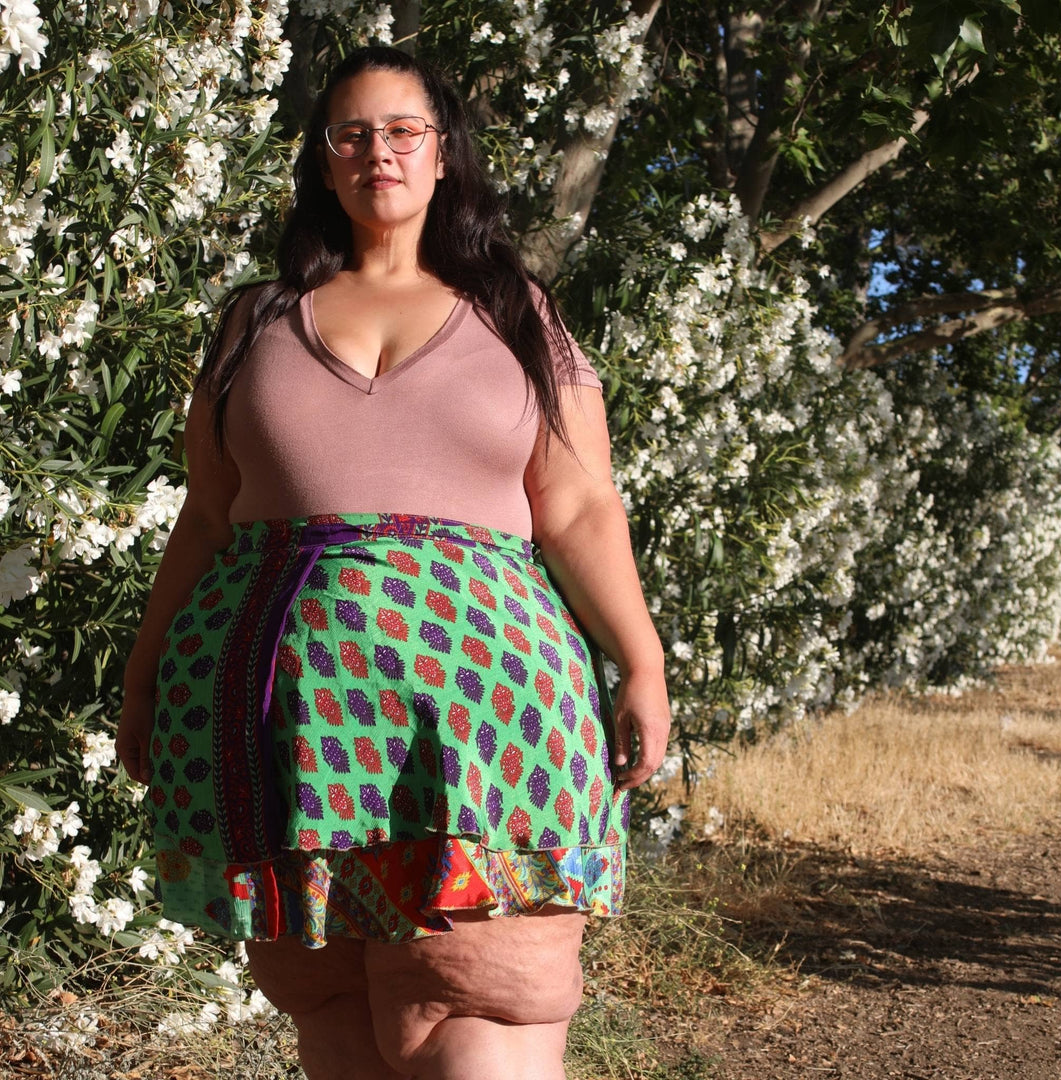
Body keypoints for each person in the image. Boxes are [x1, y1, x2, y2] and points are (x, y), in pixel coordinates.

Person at [116, 45, 669, 1080]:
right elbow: (208, 515)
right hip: (284, 716)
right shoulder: (254, 322)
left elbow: (582, 505)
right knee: (326, 1003)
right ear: (323, 164)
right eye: (352, 133)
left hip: (488, 706)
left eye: (404, 130)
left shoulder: (517, 312)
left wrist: (641, 662)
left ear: (445, 154)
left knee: (487, 986)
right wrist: (145, 675)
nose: (380, 151)